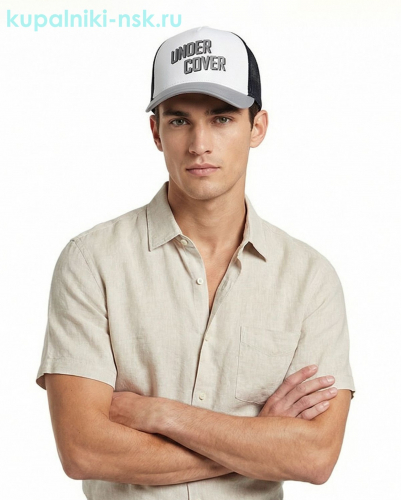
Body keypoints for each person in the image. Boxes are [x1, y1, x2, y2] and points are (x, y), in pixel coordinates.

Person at [36, 26, 355, 499]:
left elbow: (314, 456)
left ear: (257, 127)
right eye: (180, 120)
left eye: (222, 118)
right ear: (156, 132)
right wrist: (258, 440)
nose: (199, 143)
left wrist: (158, 414)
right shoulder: (91, 261)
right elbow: (83, 450)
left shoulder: (310, 279)